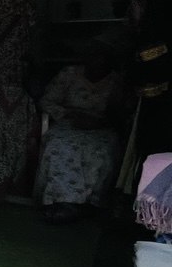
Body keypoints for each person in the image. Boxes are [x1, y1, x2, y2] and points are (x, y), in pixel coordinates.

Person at [35, 42, 129, 223]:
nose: (96, 63)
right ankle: (59, 202)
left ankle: (87, 205)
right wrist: (70, 114)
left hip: (101, 127)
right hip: (68, 122)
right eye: (92, 58)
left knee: (100, 151)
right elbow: (46, 101)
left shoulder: (116, 82)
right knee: (59, 146)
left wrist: (99, 122)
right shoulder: (69, 74)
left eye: (102, 60)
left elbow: (121, 114)